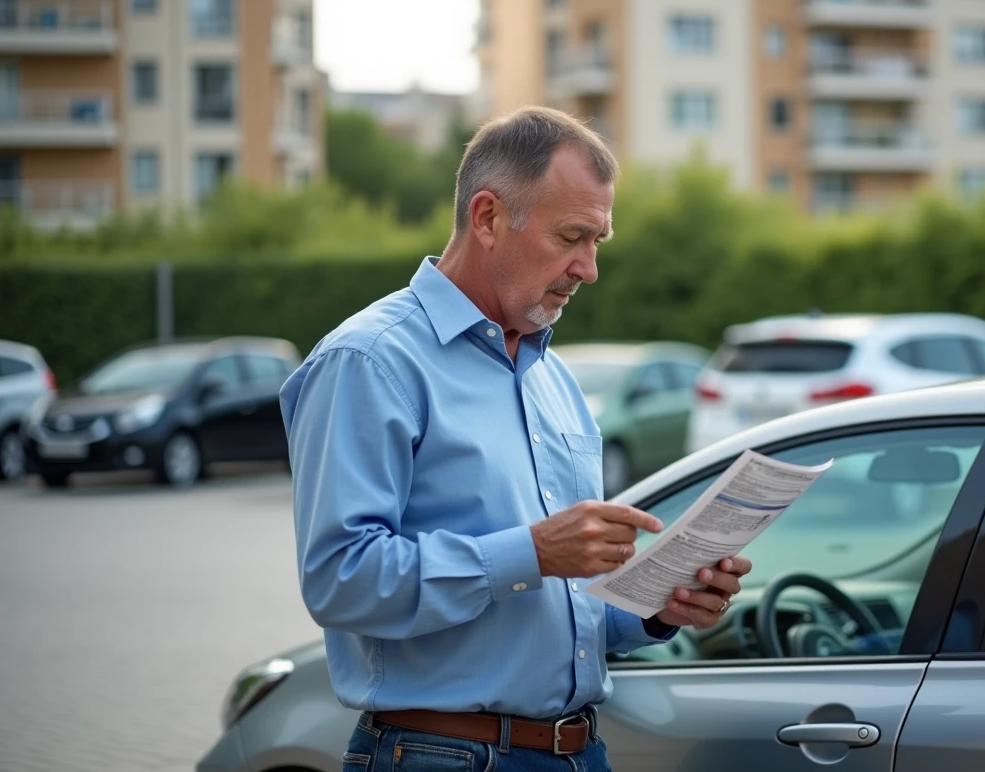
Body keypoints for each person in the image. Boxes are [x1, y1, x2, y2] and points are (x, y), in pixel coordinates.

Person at [280, 106, 750, 771]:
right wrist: (528, 552)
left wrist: (656, 608)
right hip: (442, 756)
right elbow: (339, 581)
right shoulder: (370, 361)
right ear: (489, 217)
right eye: (571, 237)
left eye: (598, 242)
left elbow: (557, 604)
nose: (588, 268)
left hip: (578, 752)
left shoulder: (551, 377)